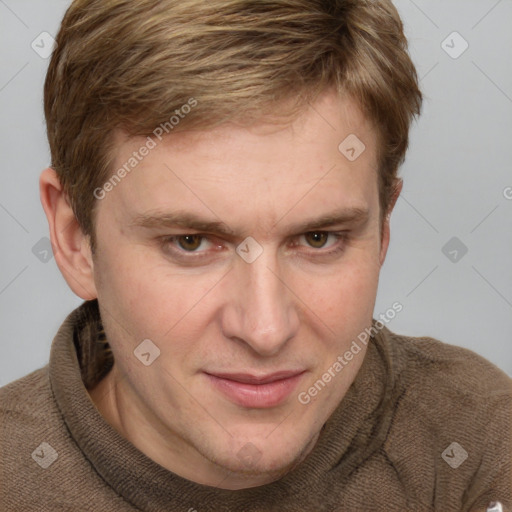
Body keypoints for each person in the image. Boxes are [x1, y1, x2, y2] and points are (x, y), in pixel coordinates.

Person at [1, 0, 510, 510]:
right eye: (191, 243)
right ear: (74, 240)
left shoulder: (481, 445)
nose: (265, 330)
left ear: (383, 231)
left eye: (319, 239)